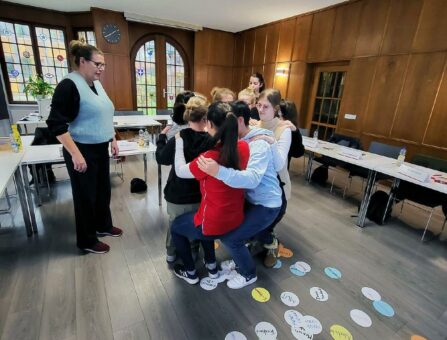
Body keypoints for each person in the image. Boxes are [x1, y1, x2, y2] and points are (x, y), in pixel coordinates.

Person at [46, 40, 122, 254]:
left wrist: (113, 138)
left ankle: (103, 226)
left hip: (99, 147)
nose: (101, 69)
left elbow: (104, 113)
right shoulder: (68, 85)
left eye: (103, 65)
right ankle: (87, 240)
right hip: (80, 148)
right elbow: (55, 124)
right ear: (82, 61)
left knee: (102, 191)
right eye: (97, 64)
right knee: (85, 196)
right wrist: (76, 155)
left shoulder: (95, 84)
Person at [196, 100, 282, 288]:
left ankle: (249, 273)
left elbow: (252, 179)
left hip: (267, 204)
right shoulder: (240, 141)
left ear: (239, 121)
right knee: (234, 232)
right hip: (254, 200)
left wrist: (218, 171)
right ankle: (241, 260)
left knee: (231, 238)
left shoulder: (258, 143)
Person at [170, 102, 250, 284]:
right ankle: (212, 267)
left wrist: (179, 143)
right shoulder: (244, 147)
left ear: (210, 125)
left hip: (213, 223)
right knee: (199, 218)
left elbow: (181, 170)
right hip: (235, 218)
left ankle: (190, 273)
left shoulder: (210, 157)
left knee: (176, 227)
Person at [156, 93, 215, 263]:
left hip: (178, 194)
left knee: (174, 223)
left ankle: (171, 252)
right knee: (195, 223)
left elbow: (161, 158)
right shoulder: (211, 141)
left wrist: (161, 138)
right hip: (200, 194)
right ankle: (193, 250)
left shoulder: (178, 139)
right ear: (206, 118)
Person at [256, 89, 292, 267]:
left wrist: (269, 141)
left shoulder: (284, 130)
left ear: (276, 108)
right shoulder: (255, 125)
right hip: (256, 184)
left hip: (277, 187)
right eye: (259, 105)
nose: (261, 109)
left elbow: (279, 165)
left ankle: (271, 244)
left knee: (265, 224)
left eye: (266, 106)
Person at [279, 99, 305, 169]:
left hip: (281, 171)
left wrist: (295, 131)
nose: (279, 117)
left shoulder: (290, 130)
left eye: (281, 115)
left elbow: (298, 153)